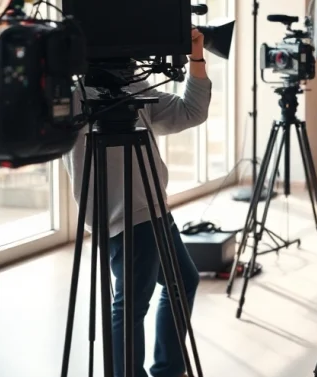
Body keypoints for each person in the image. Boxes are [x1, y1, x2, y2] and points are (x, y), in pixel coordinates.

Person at [66, 29, 212, 377]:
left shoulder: (134, 91)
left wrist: (196, 56)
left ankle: (168, 369)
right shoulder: (76, 97)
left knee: (182, 282)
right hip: (126, 214)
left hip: (154, 205)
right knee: (131, 304)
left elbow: (192, 111)